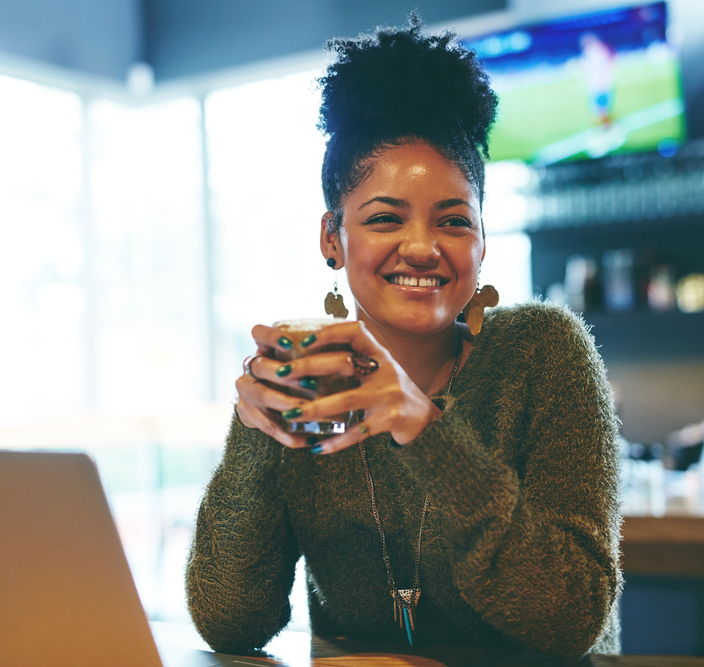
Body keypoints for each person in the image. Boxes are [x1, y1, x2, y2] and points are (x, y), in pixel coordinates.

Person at [185, 16, 622, 658]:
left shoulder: (543, 352)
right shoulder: (309, 380)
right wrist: (256, 434)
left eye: (453, 221)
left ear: (481, 241)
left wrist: (422, 425)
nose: (422, 248)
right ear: (334, 238)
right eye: (386, 218)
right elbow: (229, 622)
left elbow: (568, 618)